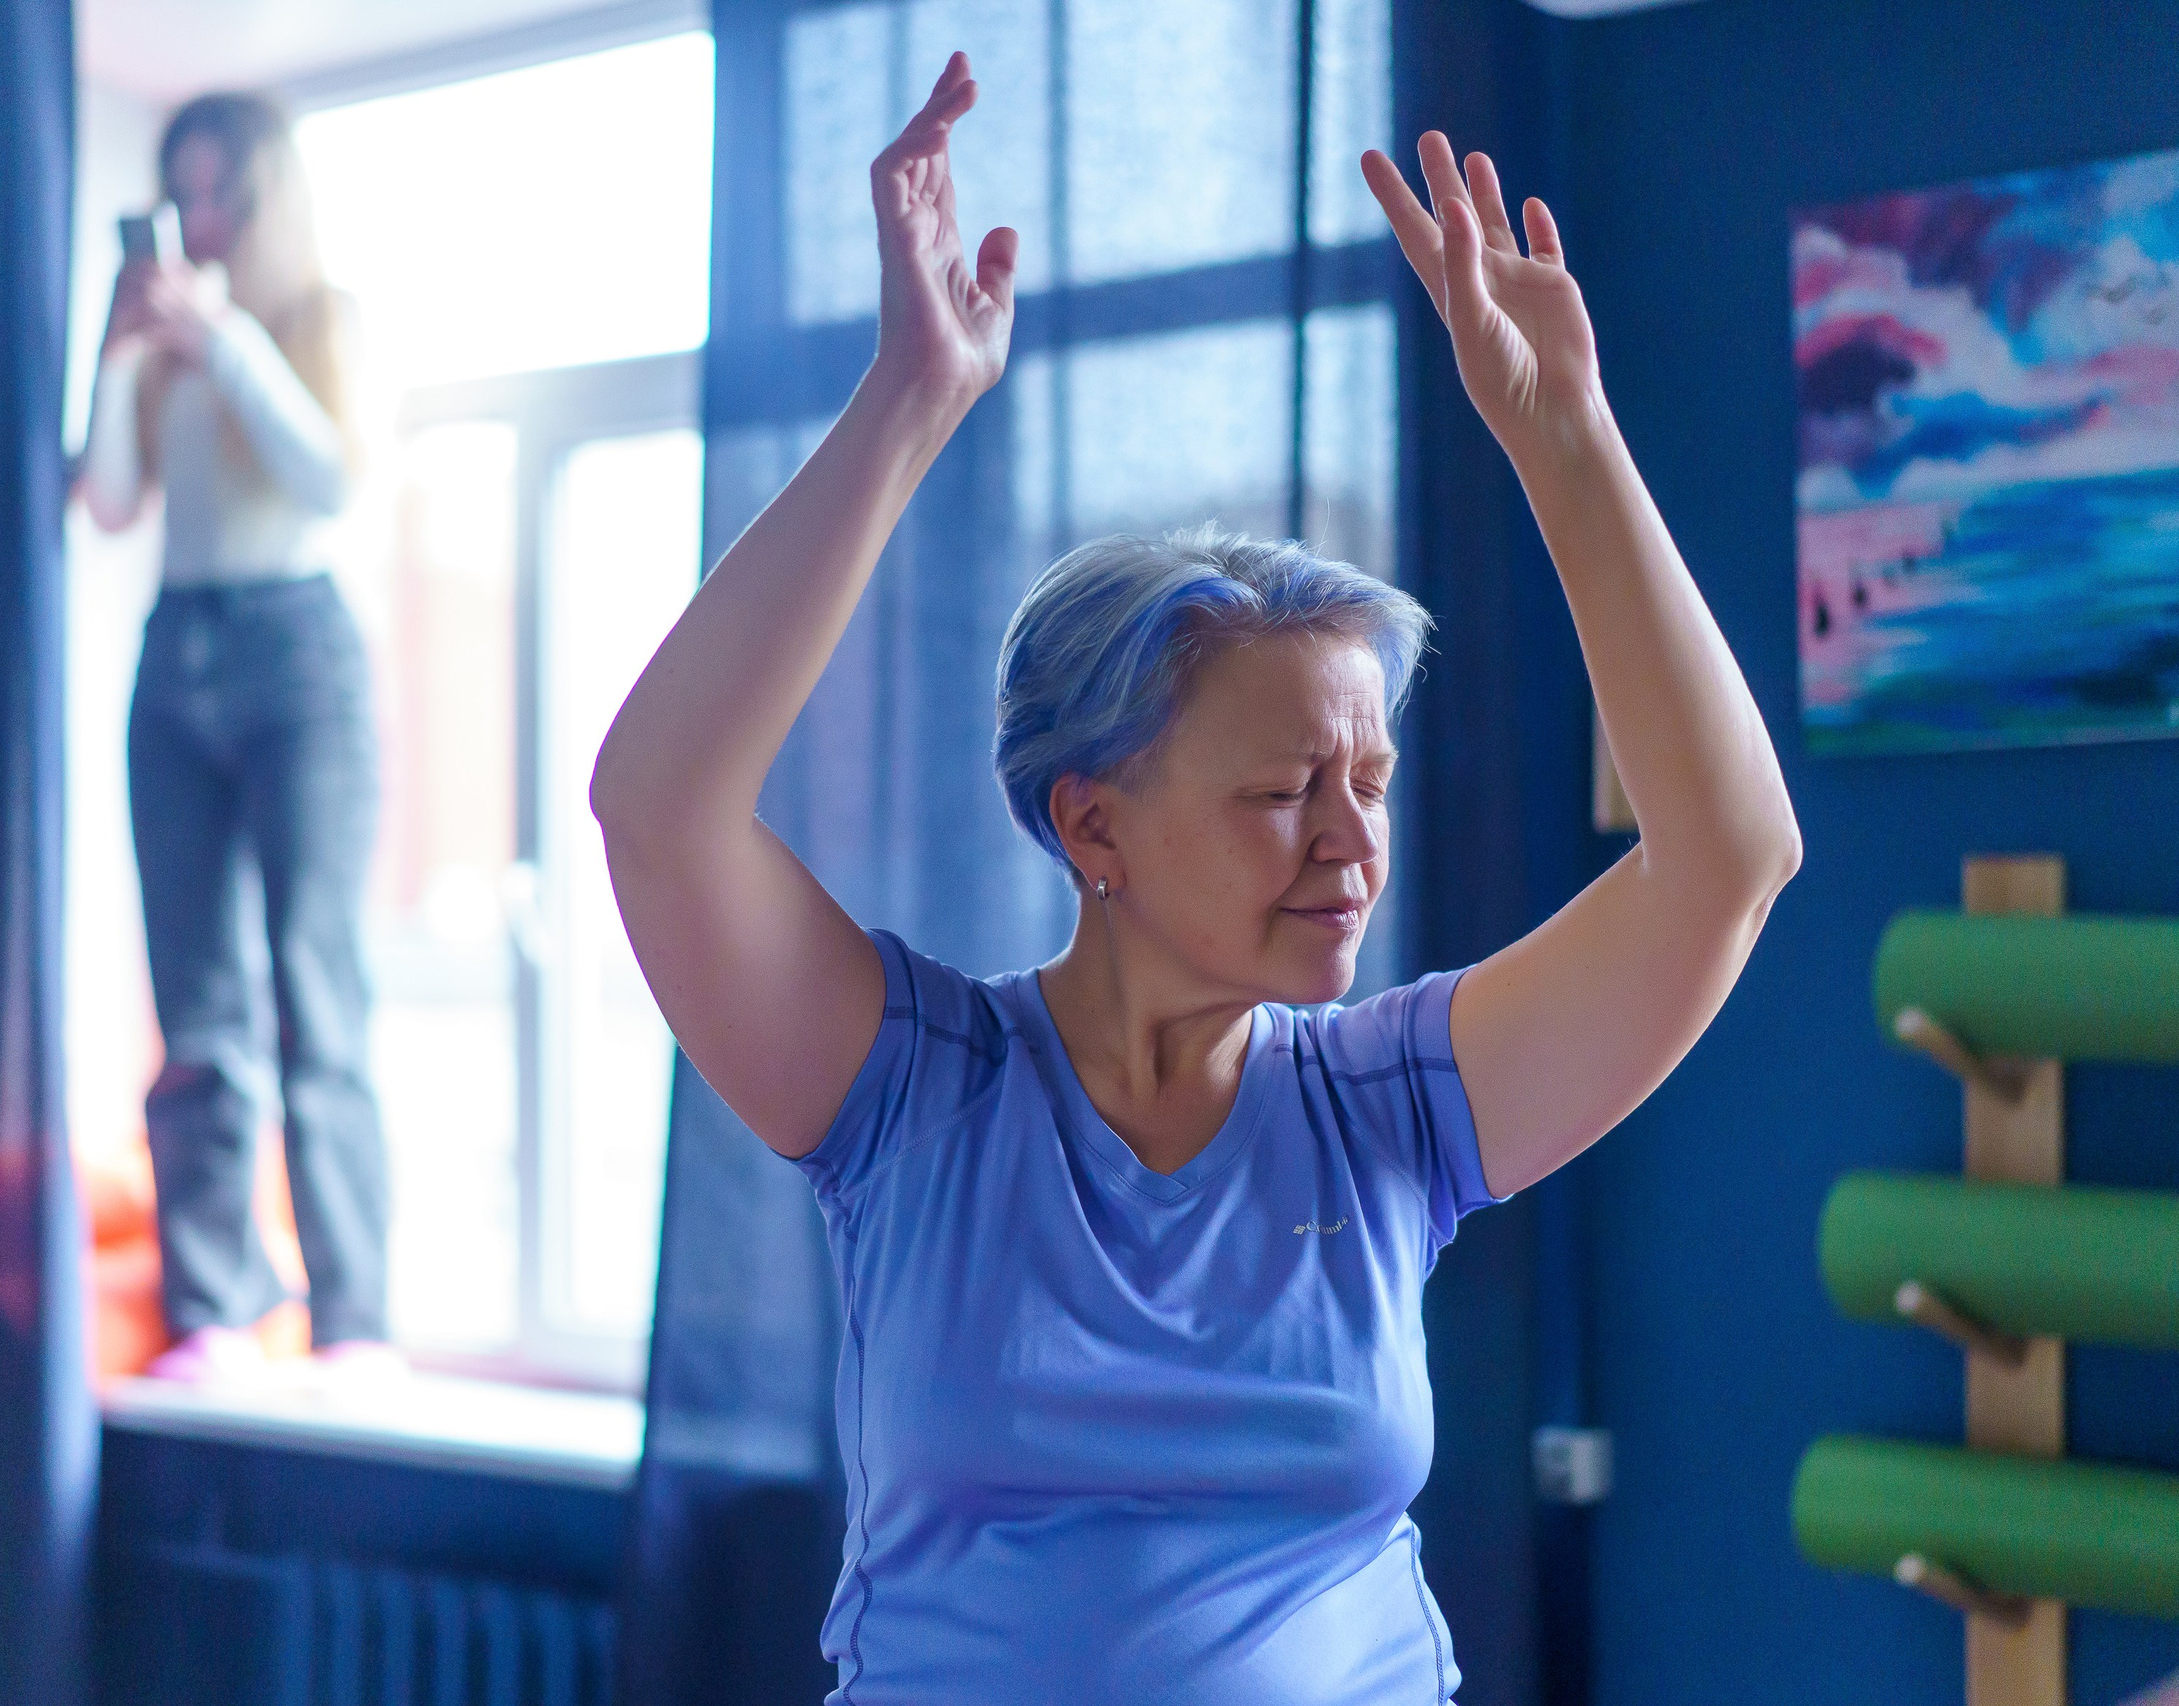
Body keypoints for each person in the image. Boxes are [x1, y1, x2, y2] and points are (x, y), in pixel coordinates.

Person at [592, 51, 1799, 1703]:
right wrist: (908, 402)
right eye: (1286, 791)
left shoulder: (1388, 1109)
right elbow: (659, 808)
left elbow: (1729, 862)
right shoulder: (913, 1094)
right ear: (1092, 826)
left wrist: (1565, 438)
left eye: (1369, 781)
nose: (1351, 841)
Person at [78, 93, 398, 1386]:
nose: (200, 220)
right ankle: (213, 1308)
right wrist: (118, 356)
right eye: (182, 195)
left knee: (316, 993)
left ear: (269, 201)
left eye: (222, 195)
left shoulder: (320, 321)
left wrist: (225, 342)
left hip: (298, 656)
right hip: (175, 654)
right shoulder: (156, 356)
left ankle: (355, 1323)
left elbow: (333, 476)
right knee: (197, 1012)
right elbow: (107, 504)